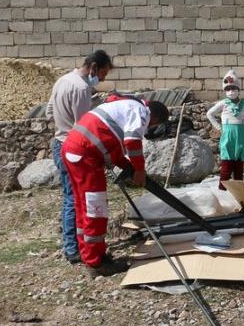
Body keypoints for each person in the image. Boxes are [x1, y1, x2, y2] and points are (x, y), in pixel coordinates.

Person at [62, 94, 168, 277]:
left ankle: (87, 253)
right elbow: (132, 141)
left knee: (83, 206)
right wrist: (139, 169)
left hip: (75, 149)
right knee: (96, 209)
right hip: (86, 154)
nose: (150, 128)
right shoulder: (142, 112)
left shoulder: (125, 105)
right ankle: (97, 263)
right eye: (154, 126)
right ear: (155, 118)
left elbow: (112, 143)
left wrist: (128, 167)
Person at [46, 50, 112, 264]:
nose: (102, 79)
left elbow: (49, 112)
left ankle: (74, 244)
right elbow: (84, 127)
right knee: (75, 199)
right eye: (102, 73)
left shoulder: (62, 80)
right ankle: (73, 248)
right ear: (93, 67)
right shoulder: (82, 88)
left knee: (70, 197)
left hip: (59, 142)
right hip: (72, 147)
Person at [206, 69, 244, 190]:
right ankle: (222, 190)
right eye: (228, 89)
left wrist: (243, 123)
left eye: (234, 88)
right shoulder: (223, 103)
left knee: (239, 166)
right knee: (226, 165)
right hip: (227, 135)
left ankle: (239, 192)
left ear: (239, 89)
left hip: (240, 135)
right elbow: (209, 114)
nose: (231, 92)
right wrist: (219, 128)